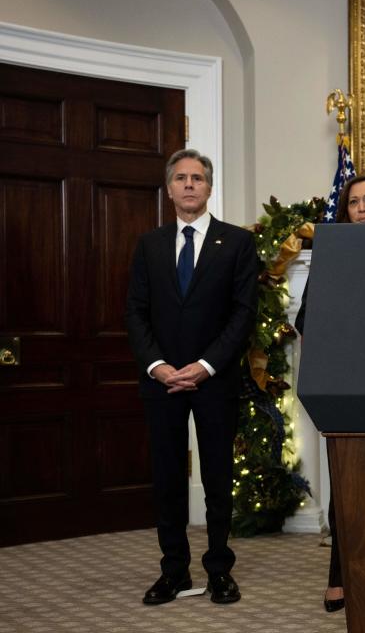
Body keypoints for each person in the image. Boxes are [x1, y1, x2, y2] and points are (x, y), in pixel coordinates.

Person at [125, 149, 258, 605]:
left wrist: (204, 366)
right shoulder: (149, 244)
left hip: (214, 380)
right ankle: (174, 571)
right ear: (168, 188)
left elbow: (243, 315)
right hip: (160, 382)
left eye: (197, 178)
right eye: (180, 178)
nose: (188, 185)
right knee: (167, 479)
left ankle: (219, 568)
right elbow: (136, 313)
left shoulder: (237, 243)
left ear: (209, 186)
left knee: (218, 478)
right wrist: (158, 366)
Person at [295, 174, 365, 614]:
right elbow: (307, 320)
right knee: (347, 481)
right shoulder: (330, 254)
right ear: (344, 210)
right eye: (354, 203)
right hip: (348, 382)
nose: (362, 209)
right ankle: (339, 576)